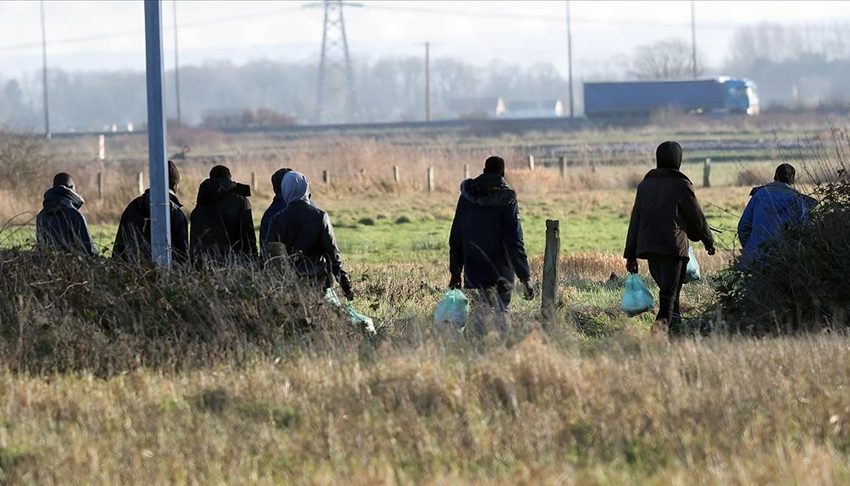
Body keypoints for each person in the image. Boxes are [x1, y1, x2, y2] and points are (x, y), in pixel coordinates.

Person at [624, 141, 715, 336]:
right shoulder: (682, 185)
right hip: (673, 247)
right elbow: (696, 218)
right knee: (669, 295)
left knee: (670, 293)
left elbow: (635, 219)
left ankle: (676, 331)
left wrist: (630, 254)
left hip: (649, 247)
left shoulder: (645, 185)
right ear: (678, 160)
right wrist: (708, 240)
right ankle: (656, 335)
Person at [449, 156, 534, 332]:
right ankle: (501, 350)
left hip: (473, 266)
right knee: (501, 310)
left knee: (481, 310)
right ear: (502, 173)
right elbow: (514, 240)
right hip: (500, 268)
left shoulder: (467, 196)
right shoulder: (507, 198)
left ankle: (478, 347)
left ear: (484, 169)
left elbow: (456, 235)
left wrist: (456, 272)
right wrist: (525, 277)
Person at [266, 171, 353, 299]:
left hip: (288, 286)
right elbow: (333, 254)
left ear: (285, 190)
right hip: (318, 284)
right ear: (306, 189)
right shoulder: (320, 217)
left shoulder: (276, 220)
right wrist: (346, 287)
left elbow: (271, 256)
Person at [112, 160, 189, 264]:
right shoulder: (176, 213)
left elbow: (119, 248)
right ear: (175, 185)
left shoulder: (133, 207)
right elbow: (182, 255)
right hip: (165, 275)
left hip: (132, 272)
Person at [737, 163, 816, 263]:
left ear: (775, 176)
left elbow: (743, 227)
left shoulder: (759, 195)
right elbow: (805, 230)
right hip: (786, 259)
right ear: (792, 180)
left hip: (756, 258)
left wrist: (750, 248)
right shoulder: (798, 200)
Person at [189, 165, 257, 264]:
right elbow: (248, 236)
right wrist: (253, 261)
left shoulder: (201, 204)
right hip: (232, 264)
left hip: (202, 265)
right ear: (229, 178)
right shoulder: (241, 202)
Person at [36, 172, 98, 256]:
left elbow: (41, 248)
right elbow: (89, 251)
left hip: (47, 265)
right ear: (71, 188)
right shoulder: (73, 215)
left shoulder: (41, 215)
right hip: (74, 266)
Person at [259, 167, 292, 253]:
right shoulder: (312, 208)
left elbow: (265, 249)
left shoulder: (269, 215)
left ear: (274, 189)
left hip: (280, 265)